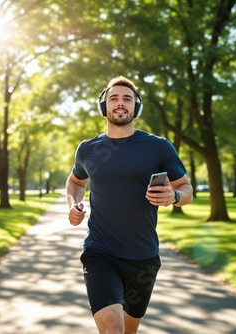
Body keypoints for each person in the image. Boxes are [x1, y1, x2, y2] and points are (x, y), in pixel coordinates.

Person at [66, 75, 193, 334]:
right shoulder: (88, 149)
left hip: (143, 258)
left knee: (128, 331)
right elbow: (76, 182)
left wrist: (174, 197)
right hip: (100, 252)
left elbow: (186, 189)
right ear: (104, 107)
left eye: (127, 98)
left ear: (137, 107)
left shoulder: (159, 147)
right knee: (113, 328)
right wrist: (73, 203)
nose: (120, 103)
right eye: (113, 98)